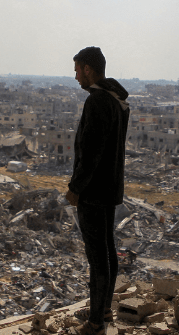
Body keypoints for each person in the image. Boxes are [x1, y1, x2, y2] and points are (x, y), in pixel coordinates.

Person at [65, 47, 130, 335]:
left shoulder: (97, 102)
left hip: (93, 190)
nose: (76, 76)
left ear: (88, 69)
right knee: (108, 250)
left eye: (77, 70)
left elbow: (91, 151)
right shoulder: (117, 100)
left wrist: (76, 188)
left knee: (97, 257)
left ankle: (95, 323)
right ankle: (102, 309)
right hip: (110, 187)